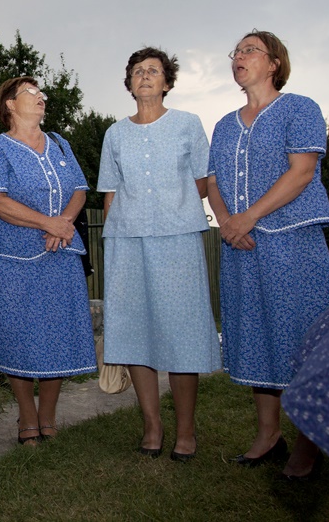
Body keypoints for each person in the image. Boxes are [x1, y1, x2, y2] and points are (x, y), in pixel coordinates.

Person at [206, 30, 329, 480]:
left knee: (301, 336)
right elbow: (214, 182)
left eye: (249, 50)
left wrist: (249, 218)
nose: (238, 57)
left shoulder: (301, 108)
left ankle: (309, 439)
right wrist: (229, 222)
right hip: (242, 247)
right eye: (236, 52)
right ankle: (268, 435)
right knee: (259, 336)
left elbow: (301, 172)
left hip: (291, 242)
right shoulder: (225, 125)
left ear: (274, 63)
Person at [97, 47, 221, 462]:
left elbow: (202, 181)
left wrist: (170, 207)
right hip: (127, 243)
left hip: (178, 239)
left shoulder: (188, 124)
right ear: (129, 85)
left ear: (167, 82)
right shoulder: (114, 134)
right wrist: (119, 234)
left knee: (182, 331)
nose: (145, 75)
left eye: (153, 70)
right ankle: (152, 425)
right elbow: (110, 193)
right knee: (135, 331)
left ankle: (186, 430)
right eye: (137, 71)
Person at [0, 76, 97, 445]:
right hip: (12, 258)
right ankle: (27, 415)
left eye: (41, 92)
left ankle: (48, 416)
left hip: (60, 252)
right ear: (10, 104)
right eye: (31, 92)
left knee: (56, 334)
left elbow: (79, 189)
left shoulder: (59, 142)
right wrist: (48, 222)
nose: (41, 96)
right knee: (18, 336)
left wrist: (63, 224)